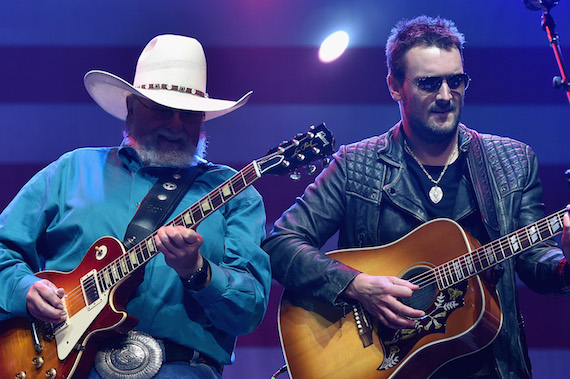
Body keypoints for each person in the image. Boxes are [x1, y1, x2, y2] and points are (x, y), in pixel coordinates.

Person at [262, 16, 570, 378]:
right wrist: (356, 285)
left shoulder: (512, 162)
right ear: (395, 86)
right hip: (385, 365)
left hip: (490, 365)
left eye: (456, 81)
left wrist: (566, 264)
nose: (445, 96)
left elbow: (535, 260)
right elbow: (280, 244)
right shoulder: (357, 165)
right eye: (428, 83)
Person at [0, 34, 271, 378]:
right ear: (131, 107)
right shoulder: (72, 169)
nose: (176, 125)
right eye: (161, 109)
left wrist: (198, 271)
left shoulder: (235, 193)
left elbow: (249, 311)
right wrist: (24, 290)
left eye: (188, 114)